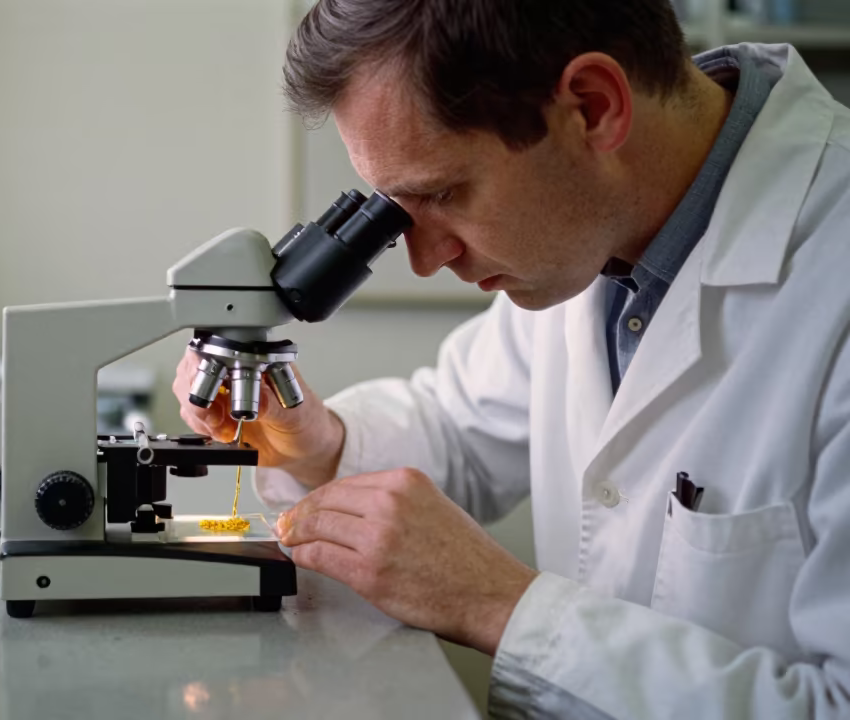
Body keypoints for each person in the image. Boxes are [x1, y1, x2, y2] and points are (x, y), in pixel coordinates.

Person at [174, 1, 850, 716]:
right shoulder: (591, 239)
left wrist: (501, 607)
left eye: (441, 193)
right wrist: (320, 444)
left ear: (591, 108)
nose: (427, 260)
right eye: (397, 209)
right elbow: (460, 429)